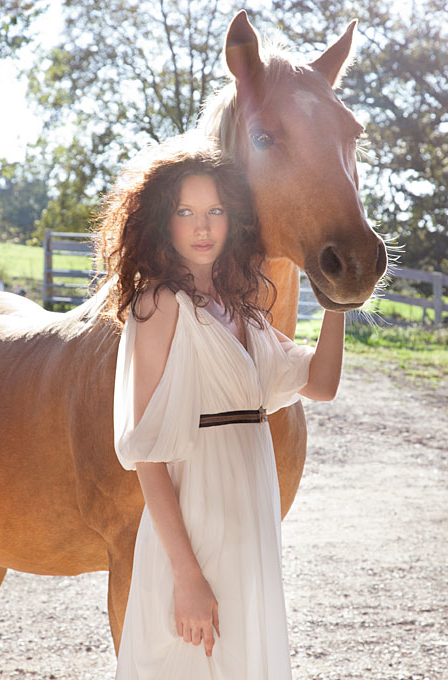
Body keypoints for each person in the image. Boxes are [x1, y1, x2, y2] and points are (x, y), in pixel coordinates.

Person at [97, 135, 345, 679]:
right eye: (186, 211)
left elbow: (321, 383)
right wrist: (186, 577)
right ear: (165, 221)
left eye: (215, 210)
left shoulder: (247, 312)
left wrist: (338, 298)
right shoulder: (158, 305)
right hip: (196, 528)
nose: (203, 226)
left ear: (234, 220)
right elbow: (147, 456)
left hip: (250, 525)